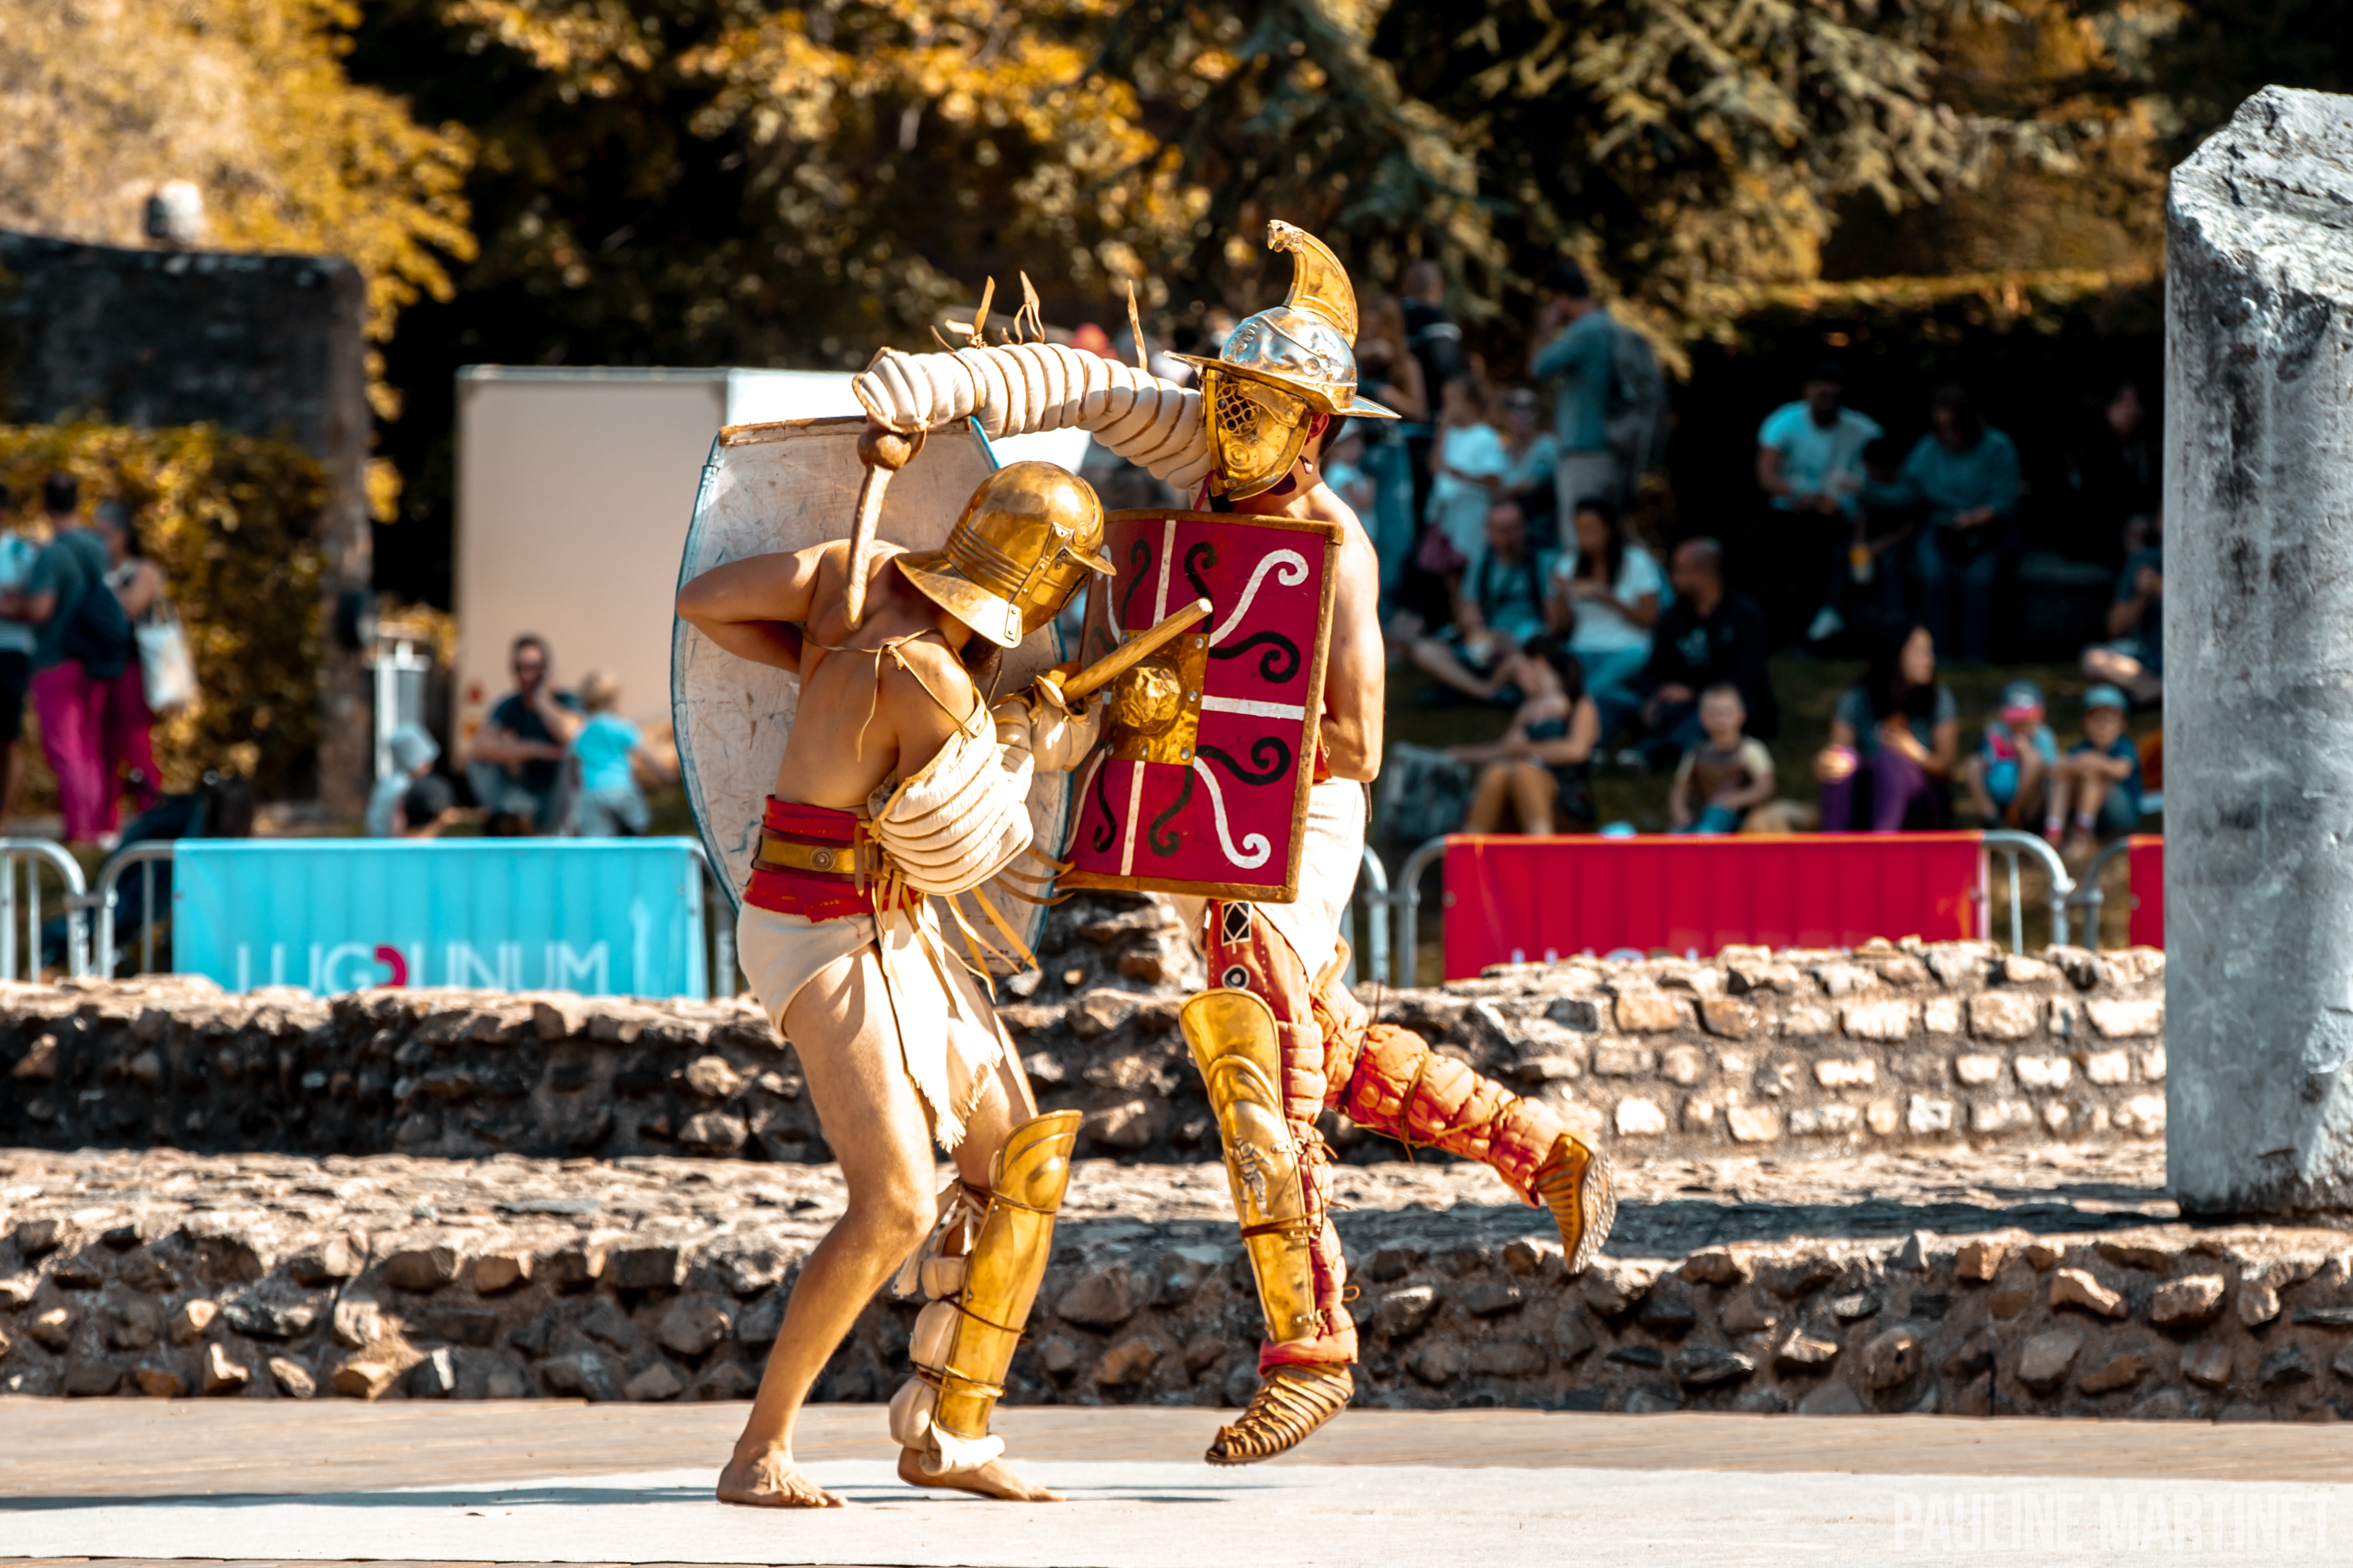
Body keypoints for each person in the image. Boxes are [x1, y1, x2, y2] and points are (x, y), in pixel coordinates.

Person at [849, 218, 1614, 1468]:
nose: (1235, 419)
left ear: (1314, 425)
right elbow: (1084, 398)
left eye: (1263, 405)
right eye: (1228, 396)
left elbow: (1353, 745)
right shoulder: (1188, 482)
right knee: (1323, 1041)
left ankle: (1311, 1348)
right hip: (1203, 815)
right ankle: (1543, 1149)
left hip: (1295, 817)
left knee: (1255, 1051)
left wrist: (1210, 739)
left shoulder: (1341, 551)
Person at [678, 463, 1109, 1508]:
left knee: (1016, 1161)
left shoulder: (847, 581)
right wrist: (1049, 736)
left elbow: (705, 601)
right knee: (894, 1206)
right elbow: (977, 842)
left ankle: (950, 1434)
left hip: (887, 921)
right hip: (821, 927)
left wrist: (807, 650)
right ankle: (757, 1452)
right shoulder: (933, 682)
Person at [5, 474, 128, 845]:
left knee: (63, 747)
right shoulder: (96, 546)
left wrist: (11, 603)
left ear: (45, 505)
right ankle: (95, 823)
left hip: (57, 658)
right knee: (89, 746)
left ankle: (79, 830)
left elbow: (41, 608)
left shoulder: (54, 553)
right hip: (94, 657)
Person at [1754, 360, 1882, 645]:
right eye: (1820, 391)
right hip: (1790, 512)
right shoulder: (1784, 423)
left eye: (1833, 393)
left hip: (1842, 518)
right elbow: (1766, 476)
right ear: (1806, 390)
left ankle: (1823, 626)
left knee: (1832, 554)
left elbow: (1884, 477)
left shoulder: (1862, 430)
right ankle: (1771, 631)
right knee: (1755, 548)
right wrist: (1800, 496)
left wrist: (1854, 489)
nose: (1826, 398)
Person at [1630, 537, 1776, 771]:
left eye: (1680, 571)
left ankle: (1657, 752)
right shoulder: (1675, 617)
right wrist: (1655, 695)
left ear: (1705, 573)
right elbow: (1655, 668)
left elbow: (1747, 676)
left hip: (1735, 701)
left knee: (1708, 711)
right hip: (1675, 701)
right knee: (1620, 700)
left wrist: (1695, 693)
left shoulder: (1746, 617)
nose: (1673, 578)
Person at [1904, 385, 2021, 665]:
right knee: (1933, 576)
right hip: (1939, 530)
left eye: (1954, 426)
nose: (1948, 434)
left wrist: (1976, 518)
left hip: (1986, 532)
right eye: (1941, 427)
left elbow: (2007, 498)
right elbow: (1908, 488)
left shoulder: (1997, 447)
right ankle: (1937, 655)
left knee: (1979, 580)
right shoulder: (1928, 449)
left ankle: (1974, 655)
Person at [1815, 623, 1959, 833]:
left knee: (1889, 762)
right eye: (1921, 652)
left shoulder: (1938, 699)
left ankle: (1882, 847)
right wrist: (1827, 763)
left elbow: (1946, 768)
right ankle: (1832, 847)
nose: (1930, 660)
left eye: (1930, 651)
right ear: (1895, 654)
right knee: (1845, 763)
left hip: (1922, 801)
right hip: (1865, 792)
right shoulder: (1856, 699)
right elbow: (1837, 752)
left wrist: (1911, 750)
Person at [1410, 496, 1555, 702]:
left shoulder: (1543, 563)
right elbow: (1469, 610)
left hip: (1524, 648)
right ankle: (1487, 692)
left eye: (1513, 529)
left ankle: (1469, 689)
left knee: (1524, 663)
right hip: (1488, 648)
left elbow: (1555, 624)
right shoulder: (1482, 563)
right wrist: (1477, 633)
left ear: (1525, 528)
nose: (1508, 538)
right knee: (1424, 650)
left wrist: (1519, 641)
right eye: (1501, 530)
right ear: (1489, 533)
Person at [1450, 636, 1600, 834]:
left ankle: (1542, 850)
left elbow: (1576, 750)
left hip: (1564, 801)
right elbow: (1503, 751)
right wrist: (1457, 755)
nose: (1518, 681)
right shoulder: (1527, 709)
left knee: (1524, 772)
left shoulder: (1580, 704)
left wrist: (1523, 749)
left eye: (1518, 672)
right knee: (1496, 773)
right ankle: (1469, 848)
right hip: (1517, 800)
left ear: (1537, 663)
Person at [1544, 495, 1663, 739]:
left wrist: (1609, 599)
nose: (1585, 537)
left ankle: (1576, 735)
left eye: (1592, 529)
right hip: (1583, 646)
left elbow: (1650, 619)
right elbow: (1559, 625)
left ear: (1610, 528)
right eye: (1580, 530)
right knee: (1592, 689)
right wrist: (1559, 595)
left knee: (1587, 691)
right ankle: (1638, 706)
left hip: (1629, 647)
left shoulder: (1636, 562)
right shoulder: (1568, 564)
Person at [1529, 260, 1621, 517]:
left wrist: (1546, 327)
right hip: (1604, 448)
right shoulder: (1606, 324)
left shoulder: (1585, 332)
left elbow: (1538, 367)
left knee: (1579, 535)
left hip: (1583, 450)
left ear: (1560, 297)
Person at [467, 634, 582, 833]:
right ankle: (511, 821)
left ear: (547, 670)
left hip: (560, 796)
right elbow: (481, 747)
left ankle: (560, 833)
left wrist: (541, 700)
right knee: (477, 765)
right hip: (524, 793)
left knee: (575, 758)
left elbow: (573, 736)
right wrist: (536, 750)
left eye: (534, 668)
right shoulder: (509, 705)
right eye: (520, 669)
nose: (526, 675)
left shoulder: (567, 700)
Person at [94, 502, 163, 824]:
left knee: (137, 745)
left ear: (123, 535)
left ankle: (151, 814)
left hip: (133, 669)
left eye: (105, 534)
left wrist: (100, 593)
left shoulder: (143, 571)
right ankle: (105, 821)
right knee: (102, 747)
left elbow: (131, 607)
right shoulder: (96, 569)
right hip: (99, 669)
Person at [564, 669, 672, 836]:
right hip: (620, 788)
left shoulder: (582, 733)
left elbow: (573, 763)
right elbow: (644, 755)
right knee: (636, 825)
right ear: (613, 700)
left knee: (600, 840)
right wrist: (665, 774)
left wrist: (576, 787)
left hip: (593, 792)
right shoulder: (621, 727)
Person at [2046, 684, 2143, 857]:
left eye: (2110, 720)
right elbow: (2055, 771)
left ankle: (2082, 835)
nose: (2103, 726)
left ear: (2122, 724)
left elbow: (2122, 770)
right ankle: (2054, 833)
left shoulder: (2125, 746)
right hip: (2090, 811)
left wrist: (2093, 761)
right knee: (2067, 776)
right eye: (2097, 719)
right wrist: (2079, 763)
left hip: (2122, 816)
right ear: (2085, 723)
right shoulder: (2080, 748)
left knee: (2095, 774)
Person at [2069, 378, 2157, 566]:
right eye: (2123, 403)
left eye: (2135, 403)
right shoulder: (2094, 447)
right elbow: (2097, 499)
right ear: (2109, 407)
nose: (2130, 410)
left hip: (2138, 528)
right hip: (2099, 531)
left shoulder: (2144, 447)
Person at [1668, 684, 1775, 834]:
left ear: (1741, 715)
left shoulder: (1749, 748)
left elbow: (1765, 787)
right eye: (1714, 714)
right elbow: (1680, 789)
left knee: (1716, 816)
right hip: (1703, 814)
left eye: (1727, 713)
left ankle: (1707, 836)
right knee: (1679, 833)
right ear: (1702, 717)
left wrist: (1734, 800)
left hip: (1741, 817)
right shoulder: (1696, 752)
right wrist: (1681, 813)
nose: (1721, 720)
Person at [1423, 375, 1508, 565]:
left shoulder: (1486, 436)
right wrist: (1443, 429)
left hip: (1472, 515)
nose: (1448, 408)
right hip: (1446, 514)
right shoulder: (1448, 434)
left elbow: (1495, 480)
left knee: (1470, 563)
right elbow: (1435, 467)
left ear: (1472, 404)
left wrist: (1465, 476)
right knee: (1446, 567)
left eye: (1454, 400)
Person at [2083, 511, 2162, 705]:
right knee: (2094, 660)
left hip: (2193, 662)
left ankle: (2157, 691)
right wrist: (2141, 595)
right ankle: (2159, 689)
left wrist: (2163, 589)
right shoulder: (2144, 561)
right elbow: (2114, 629)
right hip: (2149, 659)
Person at [1961, 679, 2057, 828]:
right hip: (1997, 796)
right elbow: (1984, 762)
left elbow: (2051, 774)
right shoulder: (1994, 732)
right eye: (2015, 720)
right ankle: (1992, 821)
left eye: (2026, 720)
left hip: (2031, 805)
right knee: (1973, 765)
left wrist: (2026, 754)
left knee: (2033, 761)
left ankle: (2015, 816)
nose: (2020, 726)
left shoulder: (2043, 736)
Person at [0, 484, 38, 825]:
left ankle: (4, 816)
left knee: (9, 740)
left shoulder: (20, 552)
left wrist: (12, 605)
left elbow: (36, 606)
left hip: (11, 654)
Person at [363, 722, 459, 838]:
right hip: (388, 845)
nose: (430, 767)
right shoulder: (401, 787)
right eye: (425, 762)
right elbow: (397, 829)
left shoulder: (390, 782)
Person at [1497, 385, 1559, 546]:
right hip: (1509, 533)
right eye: (1514, 407)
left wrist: (1502, 491)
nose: (1521, 414)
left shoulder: (1548, 445)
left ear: (1536, 414)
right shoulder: (1505, 451)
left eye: (1527, 408)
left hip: (1541, 532)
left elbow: (1531, 485)